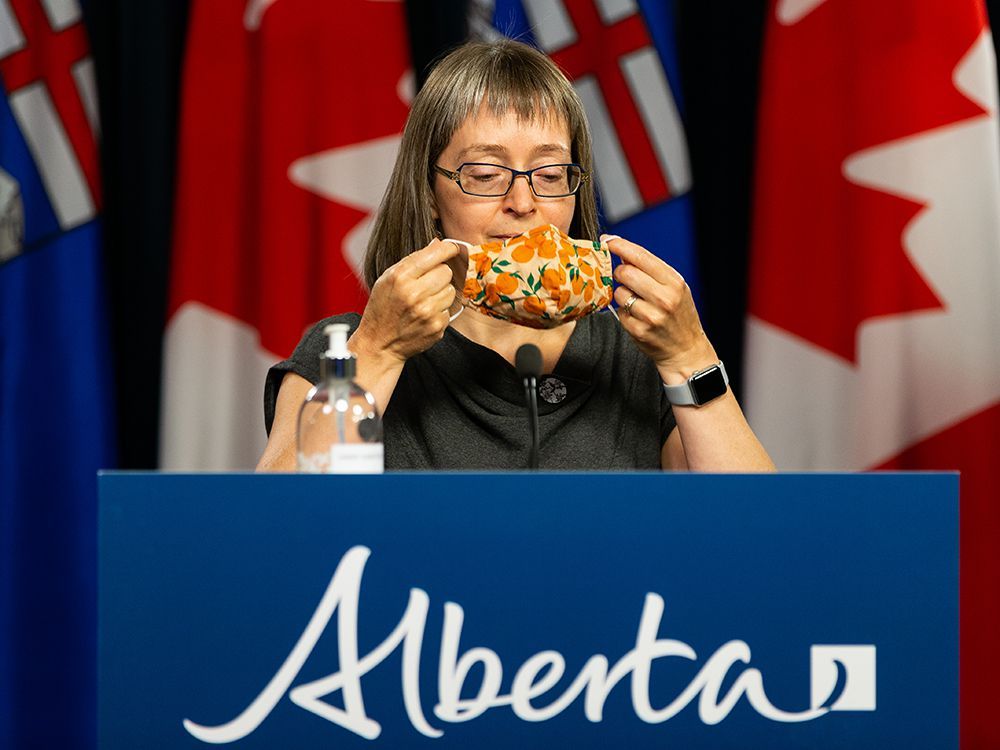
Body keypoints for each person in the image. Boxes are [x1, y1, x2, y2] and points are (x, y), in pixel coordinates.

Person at [258, 39, 774, 472]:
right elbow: (278, 528)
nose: (523, 204)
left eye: (550, 177)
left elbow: (756, 534)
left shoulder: (637, 358)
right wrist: (377, 351)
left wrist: (691, 357)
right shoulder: (347, 347)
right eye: (485, 175)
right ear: (430, 196)